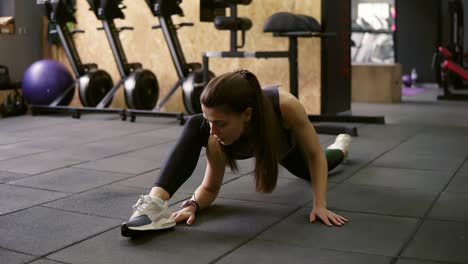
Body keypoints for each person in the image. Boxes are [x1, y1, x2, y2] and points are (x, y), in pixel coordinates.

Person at [121, 69, 350, 237]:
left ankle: (340, 146)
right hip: (249, 138)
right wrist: (193, 204)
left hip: (285, 148)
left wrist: (319, 204)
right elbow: (210, 187)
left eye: (219, 123)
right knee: (193, 124)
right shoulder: (214, 134)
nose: (211, 130)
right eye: (208, 120)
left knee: (320, 165)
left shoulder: (286, 106)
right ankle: (154, 204)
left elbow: (314, 156)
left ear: (247, 114)